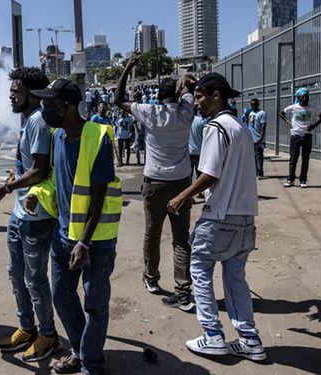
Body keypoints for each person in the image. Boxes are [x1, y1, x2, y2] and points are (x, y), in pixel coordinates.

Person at [167, 72, 266, 361]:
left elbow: (210, 173)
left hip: (220, 216)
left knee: (199, 269)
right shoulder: (241, 128)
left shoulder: (216, 128)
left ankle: (212, 335)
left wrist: (182, 195)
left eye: (199, 97)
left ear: (216, 97)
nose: (196, 104)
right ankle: (250, 340)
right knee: (236, 279)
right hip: (245, 218)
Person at [26, 79, 122, 375]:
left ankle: (91, 364)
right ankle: (81, 352)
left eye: (48, 104)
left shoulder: (99, 136)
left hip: (95, 240)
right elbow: (59, 181)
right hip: (63, 234)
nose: (43, 109)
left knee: (95, 305)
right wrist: (36, 193)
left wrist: (84, 242)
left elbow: (97, 195)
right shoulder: (56, 137)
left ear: (66, 107)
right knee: (62, 296)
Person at [0, 67, 61, 362]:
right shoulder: (28, 120)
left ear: (32, 94)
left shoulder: (40, 121)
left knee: (35, 280)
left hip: (38, 216)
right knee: (16, 275)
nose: (11, 96)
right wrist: (13, 178)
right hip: (20, 214)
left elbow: (40, 170)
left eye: (16, 91)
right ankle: (27, 328)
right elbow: (28, 166)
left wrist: (7, 187)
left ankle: (48, 335)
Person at [115, 50, 196, 312]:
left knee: (152, 233)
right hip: (181, 183)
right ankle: (183, 290)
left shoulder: (150, 112)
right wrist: (183, 82)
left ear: (159, 96)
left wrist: (128, 67)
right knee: (181, 239)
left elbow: (119, 99)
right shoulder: (187, 111)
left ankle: (151, 279)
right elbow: (188, 88)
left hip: (154, 182)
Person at [280, 88, 321, 188]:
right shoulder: (293, 107)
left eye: (307, 96)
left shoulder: (311, 107)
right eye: (303, 97)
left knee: (305, 159)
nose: (306, 99)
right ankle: (291, 179)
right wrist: (289, 123)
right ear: (299, 98)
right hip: (295, 135)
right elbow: (281, 113)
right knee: (293, 159)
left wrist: (314, 126)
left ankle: (303, 179)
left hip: (307, 135)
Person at [247, 99, 267, 179]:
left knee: (259, 156)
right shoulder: (251, 113)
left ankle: (260, 173)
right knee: (253, 157)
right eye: (252, 105)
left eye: (255, 104)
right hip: (251, 139)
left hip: (258, 139)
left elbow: (263, 126)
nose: (253, 106)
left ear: (258, 104)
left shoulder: (262, 113)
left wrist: (261, 137)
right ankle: (255, 172)